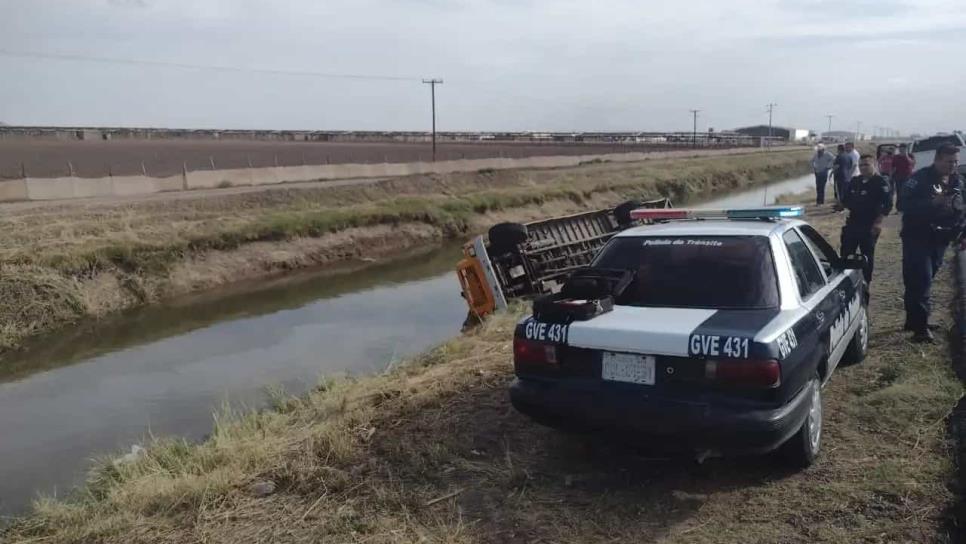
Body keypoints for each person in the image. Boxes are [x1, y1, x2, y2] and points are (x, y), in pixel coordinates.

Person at [900, 145, 965, 343]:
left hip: (941, 239)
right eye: (949, 161)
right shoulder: (919, 179)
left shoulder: (958, 181)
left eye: (955, 161)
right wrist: (931, 203)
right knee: (923, 281)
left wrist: (962, 233)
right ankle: (920, 329)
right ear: (937, 160)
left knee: (920, 280)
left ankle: (913, 320)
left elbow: (961, 208)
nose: (953, 165)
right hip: (917, 237)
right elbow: (902, 204)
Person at [841, 154, 891, 283]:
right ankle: (845, 281)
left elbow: (888, 205)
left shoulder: (880, 182)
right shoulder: (855, 181)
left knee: (867, 256)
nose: (863, 168)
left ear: (874, 165)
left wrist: (878, 222)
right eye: (861, 165)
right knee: (846, 253)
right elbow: (846, 200)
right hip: (853, 223)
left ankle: (866, 283)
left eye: (866, 165)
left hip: (870, 225)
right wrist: (841, 205)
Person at [892, 143, 916, 208]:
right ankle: (899, 207)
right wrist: (891, 176)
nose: (901, 150)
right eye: (900, 148)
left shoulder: (910, 156)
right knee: (899, 192)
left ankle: (908, 206)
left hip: (908, 177)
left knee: (908, 192)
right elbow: (893, 167)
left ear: (906, 149)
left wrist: (906, 156)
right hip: (898, 177)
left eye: (903, 148)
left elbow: (912, 164)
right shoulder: (896, 157)